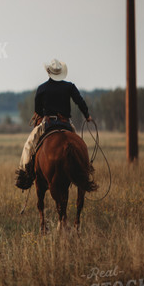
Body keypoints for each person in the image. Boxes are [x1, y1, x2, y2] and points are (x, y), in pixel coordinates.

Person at [15, 59, 93, 190]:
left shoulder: (42, 88)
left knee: (29, 145)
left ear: (48, 72)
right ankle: (85, 170)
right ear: (61, 73)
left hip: (48, 124)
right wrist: (87, 115)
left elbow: (38, 111)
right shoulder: (70, 86)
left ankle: (25, 175)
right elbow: (80, 101)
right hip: (66, 124)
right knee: (78, 145)